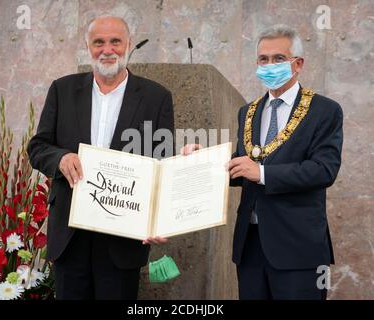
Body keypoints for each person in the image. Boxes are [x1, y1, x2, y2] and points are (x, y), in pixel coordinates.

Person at [182, 25, 343, 300]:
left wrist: (264, 173)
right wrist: (204, 161)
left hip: (298, 247)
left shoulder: (324, 110)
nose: (269, 65)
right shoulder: (248, 111)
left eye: (278, 59)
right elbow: (244, 166)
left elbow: (323, 170)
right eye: (263, 59)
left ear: (298, 64)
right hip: (250, 245)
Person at [27, 16, 173, 300]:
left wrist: (159, 219)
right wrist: (60, 158)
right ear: (88, 47)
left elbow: (162, 164)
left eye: (115, 41)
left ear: (128, 45)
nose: (108, 49)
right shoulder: (62, 89)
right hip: (70, 233)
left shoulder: (157, 97)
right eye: (99, 42)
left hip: (124, 237)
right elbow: (38, 147)